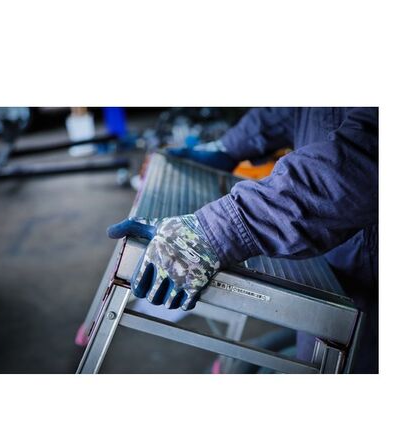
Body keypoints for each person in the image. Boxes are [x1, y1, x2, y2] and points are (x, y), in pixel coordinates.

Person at [108, 108, 378, 373]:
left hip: (370, 253)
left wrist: (223, 229)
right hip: (331, 241)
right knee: (318, 351)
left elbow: (367, 157)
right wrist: (229, 147)